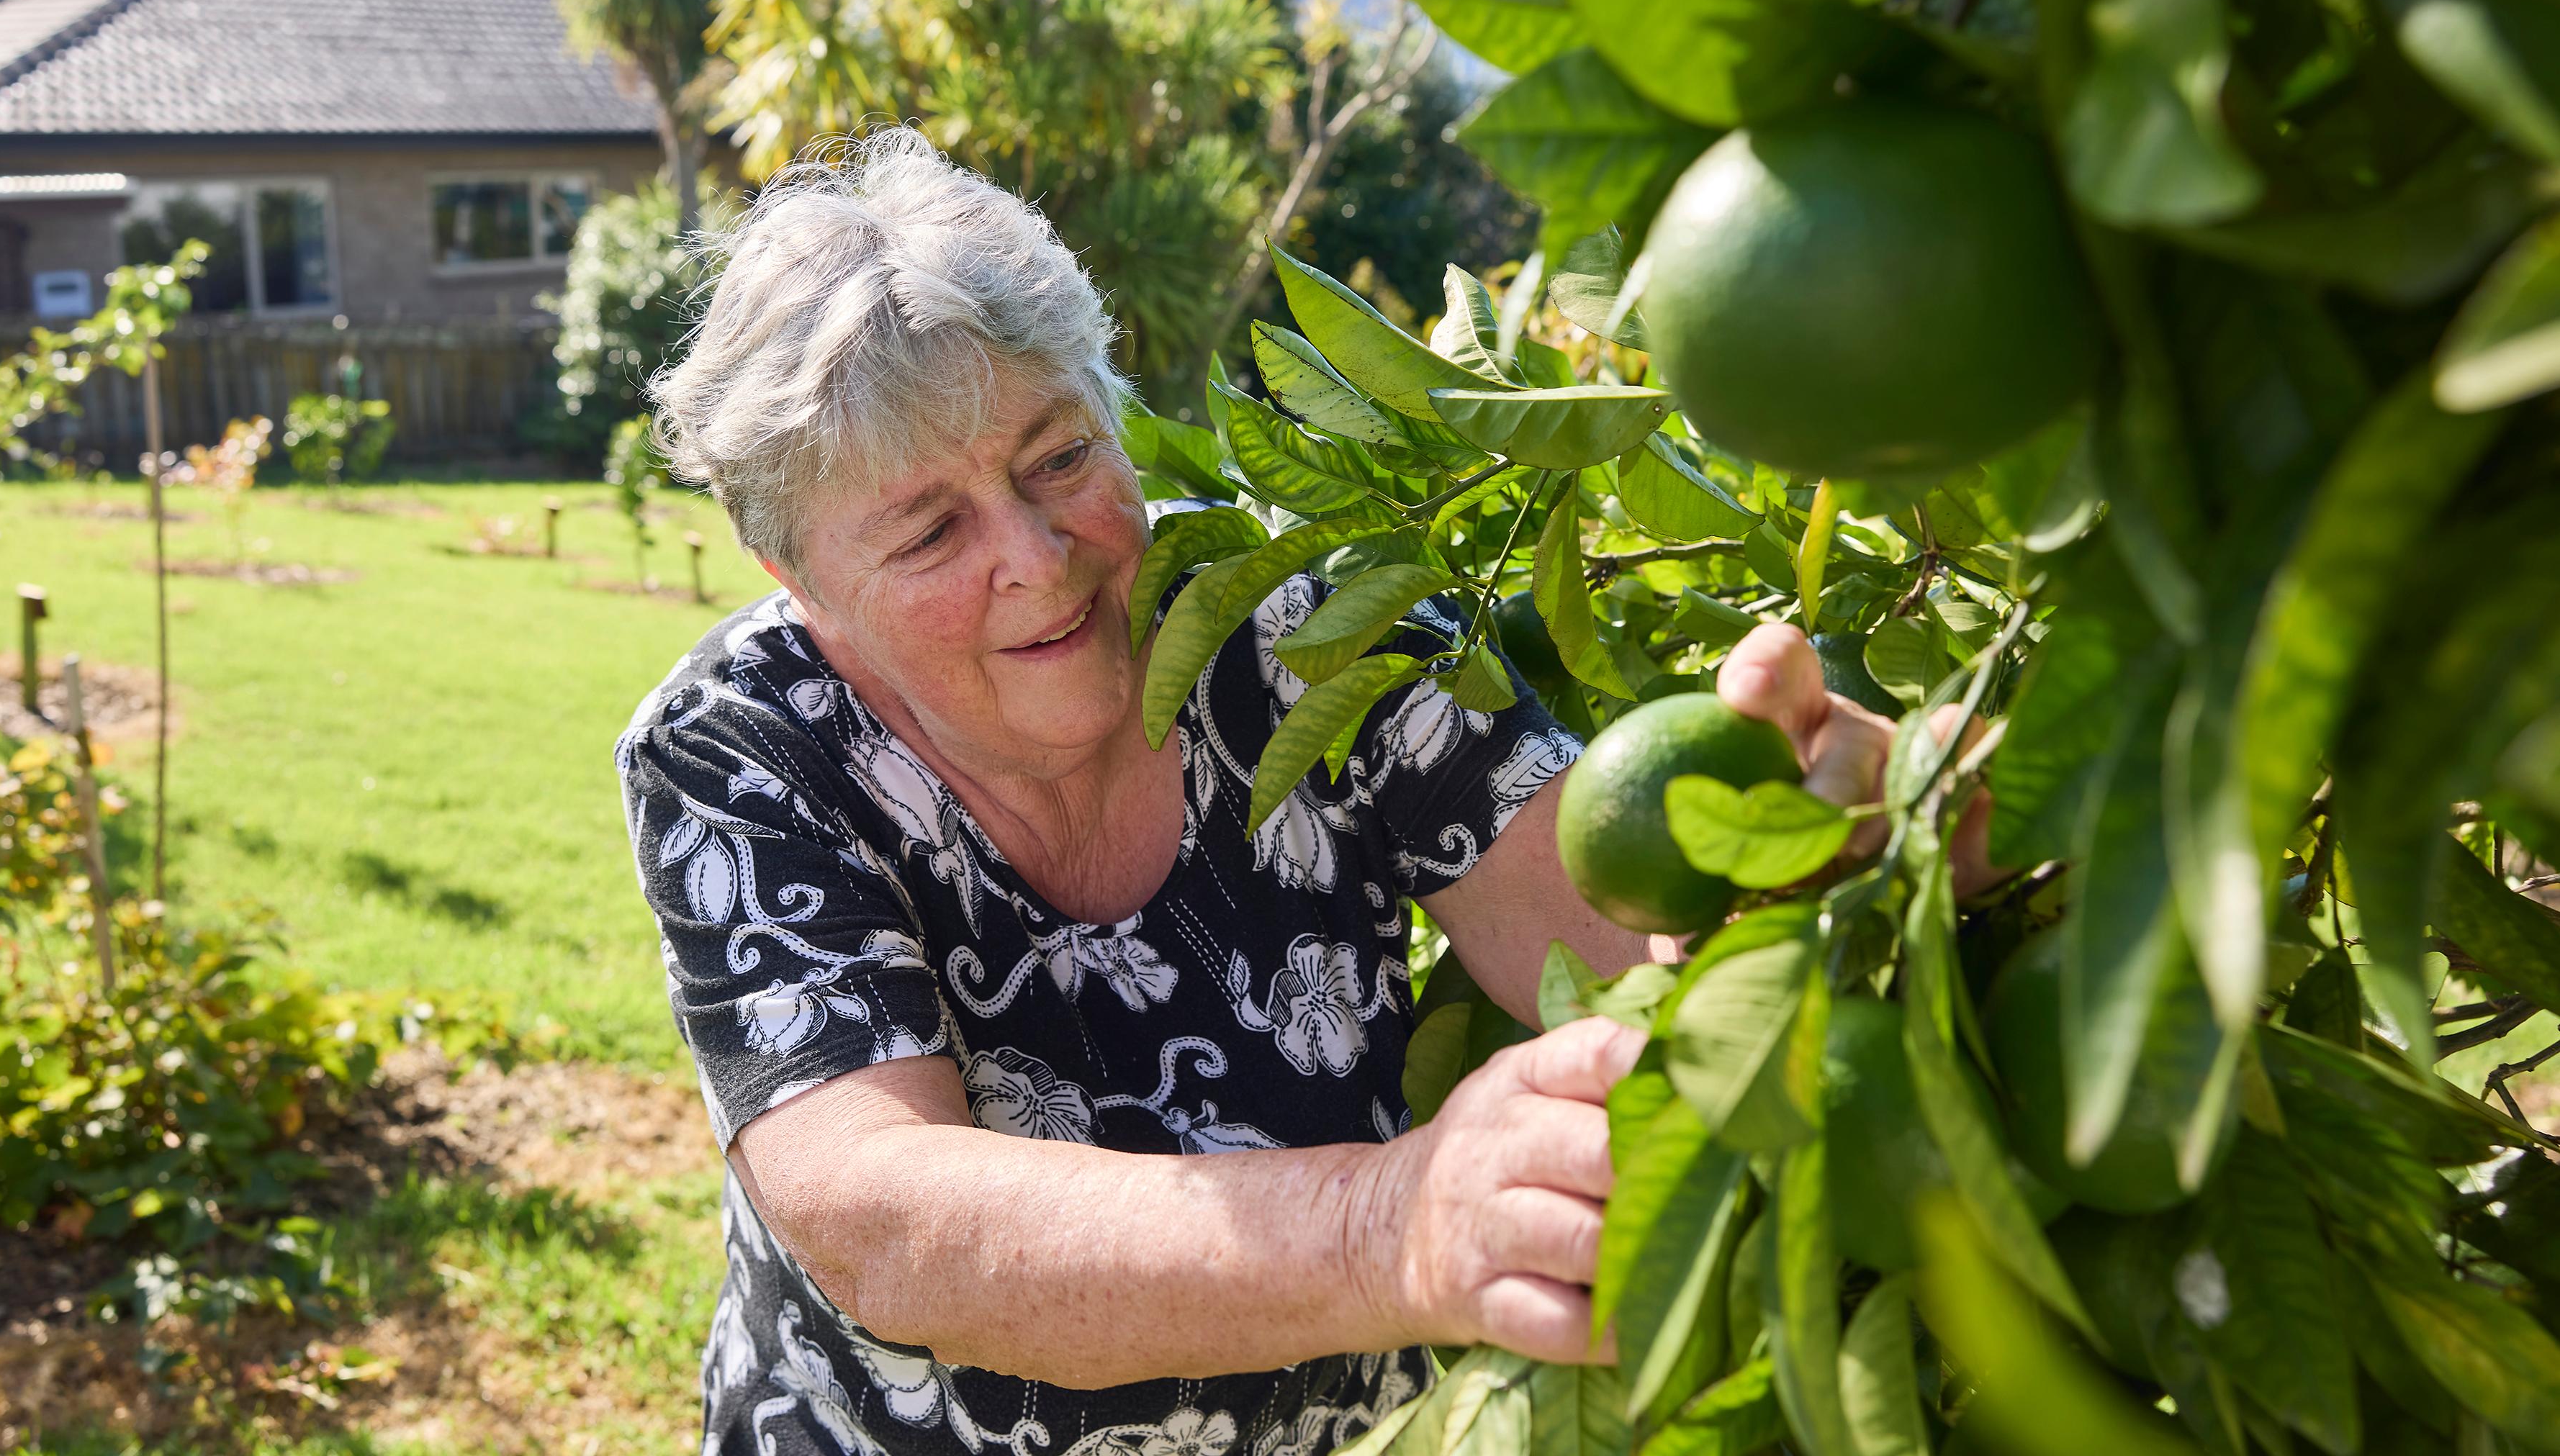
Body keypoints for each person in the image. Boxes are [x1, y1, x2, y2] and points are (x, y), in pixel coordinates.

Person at [618, 129, 1970, 1456]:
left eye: (1062, 459)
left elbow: (1621, 931)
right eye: (929, 530)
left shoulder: (1300, 622)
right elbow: (886, 1217)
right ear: (796, 575)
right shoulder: (741, 745)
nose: (1039, 559)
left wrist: (1838, 857)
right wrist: (1392, 1223)